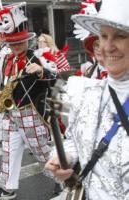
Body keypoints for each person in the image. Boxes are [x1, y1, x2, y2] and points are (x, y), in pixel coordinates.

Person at [45, 0, 129, 199]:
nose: (107, 47)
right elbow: (74, 139)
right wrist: (63, 158)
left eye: (120, 36)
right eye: (103, 36)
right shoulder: (85, 91)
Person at [0, 2, 55, 199]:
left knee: (41, 152)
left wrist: (42, 71)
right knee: (8, 151)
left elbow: (54, 76)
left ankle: (62, 179)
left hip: (29, 112)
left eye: (19, 42)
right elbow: (2, 80)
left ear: (27, 40)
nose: (16, 46)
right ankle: (7, 188)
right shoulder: (6, 60)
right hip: (9, 113)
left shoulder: (36, 57)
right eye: (12, 43)